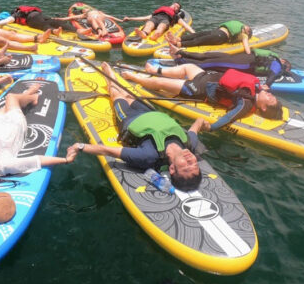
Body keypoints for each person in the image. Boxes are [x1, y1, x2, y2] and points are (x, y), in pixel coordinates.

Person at [66, 63, 209, 191]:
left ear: (172, 168)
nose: (190, 160)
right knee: (128, 94)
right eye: (194, 164)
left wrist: (79, 147)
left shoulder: (148, 156)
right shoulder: (190, 143)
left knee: (116, 94)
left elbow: (108, 150)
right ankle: (115, 79)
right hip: (149, 112)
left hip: (129, 118)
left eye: (186, 167)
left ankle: (109, 74)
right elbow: (197, 124)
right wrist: (205, 124)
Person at [119, 61, 284, 129]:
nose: (270, 95)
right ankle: (156, 69)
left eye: (270, 99)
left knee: (161, 84)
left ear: (263, 107)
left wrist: (211, 127)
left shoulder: (246, 102)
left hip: (199, 89)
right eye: (272, 96)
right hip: (206, 77)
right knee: (188, 66)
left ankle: (135, 78)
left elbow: (229, 117)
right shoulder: (257, 88)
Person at [169, 48, 292, 88]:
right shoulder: (277, 63)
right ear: (284, 63)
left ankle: (181, 53)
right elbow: (273, 72)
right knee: (212, 64)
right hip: (244, 64)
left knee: (210, 57)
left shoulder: (271, 55)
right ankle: (180, 61)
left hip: (242, 57)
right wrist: (268, 84)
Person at [167, 20, 253, 54]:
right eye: (248, 26)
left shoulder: (244, 35)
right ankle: (177, 39)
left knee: (201, 40)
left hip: (221, 36)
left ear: (247, 32)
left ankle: (178, 44)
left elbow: (246, 47)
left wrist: (250, 54)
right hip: (217, 32)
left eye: (248, 29)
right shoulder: (240, 25)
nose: (247, 26)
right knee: (198, 34)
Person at [123, 2, 193, 41]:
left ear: (177, 11)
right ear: (170, 5)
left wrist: (194, 33)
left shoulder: (175, 15)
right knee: (149, 24)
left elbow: (185, 25)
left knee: (161, 26)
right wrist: (129, 18)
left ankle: (156, 35)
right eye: (174, 4)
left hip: (165, 20)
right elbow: (145, 17)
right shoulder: (159, 11)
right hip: (155, 18)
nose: (175, 6)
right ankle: (144, 33)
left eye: (177, 7)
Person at [0, 6, 76, 35]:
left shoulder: (16, 15)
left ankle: (54, 31)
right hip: (38, 14)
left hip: (31, 19)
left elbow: (8, 20)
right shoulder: (26, 9)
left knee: (43, 26)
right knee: (53, 21)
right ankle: (76, 30)